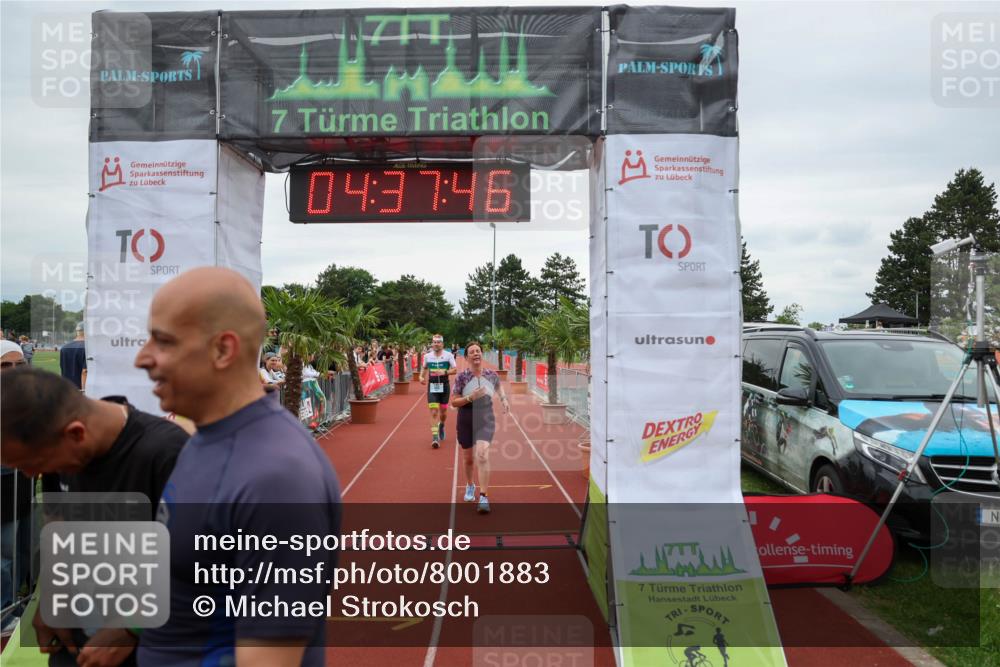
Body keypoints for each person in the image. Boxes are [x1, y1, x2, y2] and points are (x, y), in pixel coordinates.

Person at [134, 267, 341, 667]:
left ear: (223, 350)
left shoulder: (276, 477)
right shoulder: (209, 440)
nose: (144, 357)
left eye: (163, 340)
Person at [0, 366, 187, 666]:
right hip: (77, 635)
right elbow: (57, 521)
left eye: (33, 463)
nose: (31, 474)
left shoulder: (167, 453)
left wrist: (130, 629)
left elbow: (200, 563)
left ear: (76, 433)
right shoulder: (56, 442)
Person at [451, 341, 509, 514]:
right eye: (472, 352)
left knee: (482, 454)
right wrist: (470, 397)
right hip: (466, 418)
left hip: (485, 417)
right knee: (468, 458)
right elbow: (454, 401)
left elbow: (498, 386)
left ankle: (484, 496)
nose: (476, 353)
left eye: (478, 351)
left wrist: (504, 399)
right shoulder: (462, 377)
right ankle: (470, 485)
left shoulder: (491, 374)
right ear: (467, 357)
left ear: (481, 354)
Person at [419, 334, 457, 449]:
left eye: (438, 342)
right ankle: (435, 437)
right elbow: (425, 368)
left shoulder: (448, 355)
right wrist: (421, 377)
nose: (436, 344)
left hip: (445, 386)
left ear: (442, 344)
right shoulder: (427, 356)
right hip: (432, 386)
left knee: (443, 413)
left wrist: (444, 372)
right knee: (434, 412)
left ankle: (442, 425)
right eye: (434, 342)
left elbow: (455, 370)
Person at [60, 321, 87, 390]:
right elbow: (84, 371)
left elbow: (63, 369)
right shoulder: (87, 348)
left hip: (67, 388)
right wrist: (84, 391)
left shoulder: (64, 347)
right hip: (79, 390)